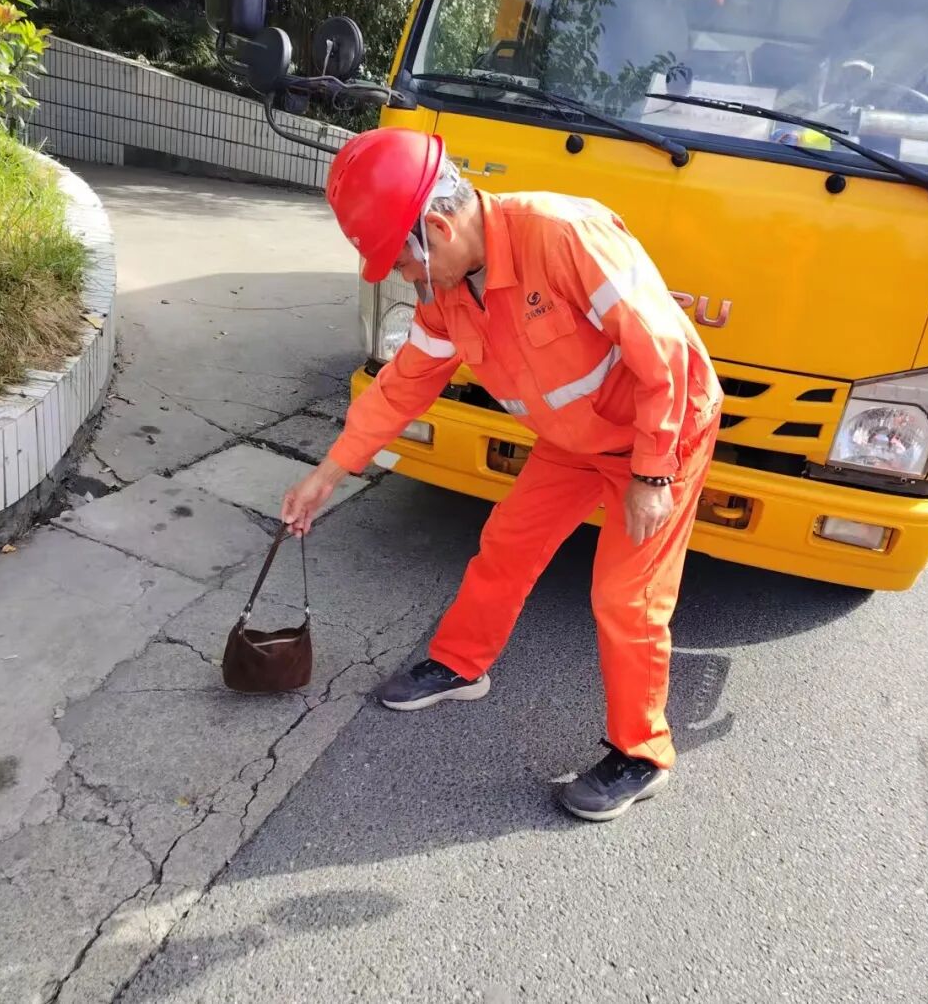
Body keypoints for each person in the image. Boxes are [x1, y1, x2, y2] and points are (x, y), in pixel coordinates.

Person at [282, 127, 722, 822]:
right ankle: (460, 664)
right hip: (573, 439)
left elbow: (663, 353)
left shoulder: (563, 235)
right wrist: (328, 474)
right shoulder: (446, 288)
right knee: (507, 545)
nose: (407, 278)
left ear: (437, 228)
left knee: (625, 597)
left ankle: (642, 753)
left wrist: (654, 474)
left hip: (656, 435)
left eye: (403, 262)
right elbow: (404, 384)